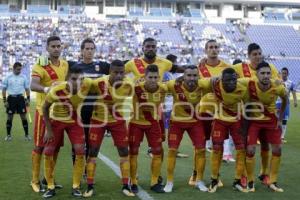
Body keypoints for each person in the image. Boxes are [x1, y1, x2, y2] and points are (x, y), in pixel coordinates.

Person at [83, 60, 135, 197]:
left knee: (124, 151)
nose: (119, 75)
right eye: (115, 72)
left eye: (121, 72)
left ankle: (126, 185)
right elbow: (83, 89)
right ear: (110, 72)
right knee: (93, 151)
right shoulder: (98, 82)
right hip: (98, 120)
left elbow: (136, 97)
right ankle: (89, 186)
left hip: (117, 120)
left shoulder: (129, 84)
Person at [233, 43, 281, 185]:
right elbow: (224, 72)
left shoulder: (270, 68)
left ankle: (264, 173)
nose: (258, 56)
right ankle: (243, 174)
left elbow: (278, 85)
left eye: (260, 53)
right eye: (254, 54)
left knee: (265, 145)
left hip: (266, 115)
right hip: (246, 115)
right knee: (244, 146)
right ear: (248, 56)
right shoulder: (240, 68)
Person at [42, 67, 92, 198]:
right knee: (48, 152)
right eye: (74, 79)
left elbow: (103, 81)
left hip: (74, 120)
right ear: (67, 79)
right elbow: (45, 108)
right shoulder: (56, 91)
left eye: (81, 79)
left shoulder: (87, 84)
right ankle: (50, 186)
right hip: (56, 120)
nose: (78, 82)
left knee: (80, 150)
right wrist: (48, 129)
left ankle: (76, 186)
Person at [163, 65, 212, 193]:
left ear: (198, 76)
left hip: (195, 122)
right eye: (189, 75)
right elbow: (158, 87)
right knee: (172, 151)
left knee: (201, 151)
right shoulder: (173, 84)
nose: (192, 78)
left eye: (194, 75)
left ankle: (199, 181)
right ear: (183, 77)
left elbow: (216, 80)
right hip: (176, 123)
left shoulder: (202, 84)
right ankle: (169, 181)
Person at [30, 36, 69, 192]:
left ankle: (48, 178)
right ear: (47, 48)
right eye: (53, 46)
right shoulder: (40, 64)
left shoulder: (65, 64)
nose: (56, 48)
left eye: (59, 46)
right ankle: (34, 180)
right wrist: (46, 89)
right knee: (40, 146)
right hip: (43, 111)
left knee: (56, 147)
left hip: (59, 113)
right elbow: (33, 85)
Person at [189, 39, 230, 186]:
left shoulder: (227, 67)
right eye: (210, 47)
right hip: (203, 110)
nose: (213, 49)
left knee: (218, 145)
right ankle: (195, 173)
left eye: (216, 47)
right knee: (199, 145)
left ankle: (216, 175)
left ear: (219, 49)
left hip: (221, 112)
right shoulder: (199, 68)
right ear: (206, 50)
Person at [244, 61, 287, 192]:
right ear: (256, 74)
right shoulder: (249, 83)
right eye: (262, 73)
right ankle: (250, 181)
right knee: (250, 150)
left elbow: (285, 99)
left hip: (271, 121)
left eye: (268, 73)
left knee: (278, 149)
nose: (266, 76)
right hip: (254, 121)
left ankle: (273, 181)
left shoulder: (277, 86)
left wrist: (280, 119)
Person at [207, 68, 248, 193]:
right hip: (220, 121)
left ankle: (237, 181)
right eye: (228, 80)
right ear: (221, 79)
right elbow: (199, 82)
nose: (231, 82)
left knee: (241, 149)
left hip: (236, 121)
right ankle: (214, 179)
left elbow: (247, 105)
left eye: (233, 80)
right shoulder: (214, 83)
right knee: (217, 149)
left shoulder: (243, 88)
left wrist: (245, 127)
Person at [129, 64, 167, 193]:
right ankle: (133, 181)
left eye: (155, 77)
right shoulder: (136, 88)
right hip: (135, 123)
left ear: (159, 77)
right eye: (150, 77)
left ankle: (155, 181)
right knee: (133, 153)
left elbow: (160, 108)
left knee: (157, 152)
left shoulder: (163, 89)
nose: (153, 80)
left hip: (153, 124)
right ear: (144, 77)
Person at [2, 62, 30, 141]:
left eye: (20, 69)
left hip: (21, 99)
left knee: (23, 117)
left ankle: (27, 135)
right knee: (10, 117)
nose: (19, 71)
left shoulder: (23, 77)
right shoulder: (8, 77)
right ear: (14, 68)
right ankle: (8, 135)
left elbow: (27, 89)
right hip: (11, 99)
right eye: (18, 69)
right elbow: (4, 90)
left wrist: (28, 99)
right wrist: (5, 101)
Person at [276, 67, 297, 143]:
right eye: (282, 73)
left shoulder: (291, 83)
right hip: (277, 103)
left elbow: (293, 92)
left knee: (284, 121)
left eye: (285, 73)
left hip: (286, 104)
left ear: (288, 74)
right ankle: (275, 136)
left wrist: (295, 101)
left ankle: (282, 137)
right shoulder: (278, 82)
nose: (284, 74)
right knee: (276, 120)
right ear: (281, 73)